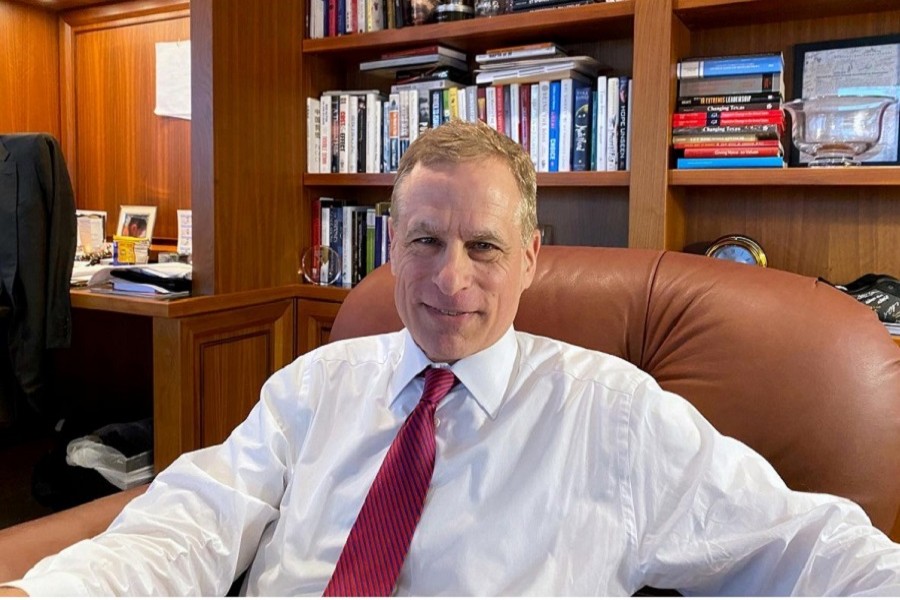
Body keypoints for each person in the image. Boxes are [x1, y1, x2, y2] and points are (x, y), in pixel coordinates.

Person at [3, 120, 900, 596]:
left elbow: (804, 549)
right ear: (393, 243)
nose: (450, 280)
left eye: (485, 247)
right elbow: (190, 522)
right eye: (426, 241)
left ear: (534, 256)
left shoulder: (615, 415)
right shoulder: (316, 383)